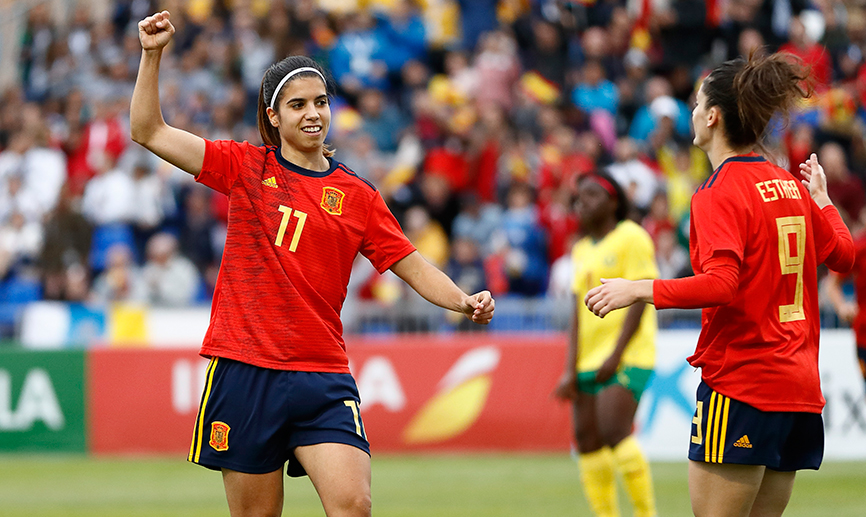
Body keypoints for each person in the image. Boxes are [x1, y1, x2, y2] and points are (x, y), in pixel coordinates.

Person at [130, 11, 494, 517]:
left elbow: (410, 263)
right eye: (297, 104)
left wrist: (463, 299)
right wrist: (152, 55)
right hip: (246, 368)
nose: (312, 113)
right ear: (273, 117)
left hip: (322, 374)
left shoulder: (359, 195)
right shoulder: (244, 166)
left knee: (354, 505)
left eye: (320, 102)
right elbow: (148, 130)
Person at [584, 52, 855, 517]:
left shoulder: (718, 192)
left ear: (712, 117)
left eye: (695, 103)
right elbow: (844, 257)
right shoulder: (789, 185)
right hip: (798, 389)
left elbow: (721, 285)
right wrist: (824, 201)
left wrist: (639, 289)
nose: (691, 113)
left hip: (743, 384)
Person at [553, 171, 658, 517]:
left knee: (615, 431)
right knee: (586, 441)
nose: (581, 202)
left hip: (627, 356)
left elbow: (643, 296)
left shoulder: (632, 237)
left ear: (613, 202)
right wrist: (569, 369)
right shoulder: (580, 249)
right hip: (588, 360)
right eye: (578, 196)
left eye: (591, 195)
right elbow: (576, 313)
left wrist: (616, 354)